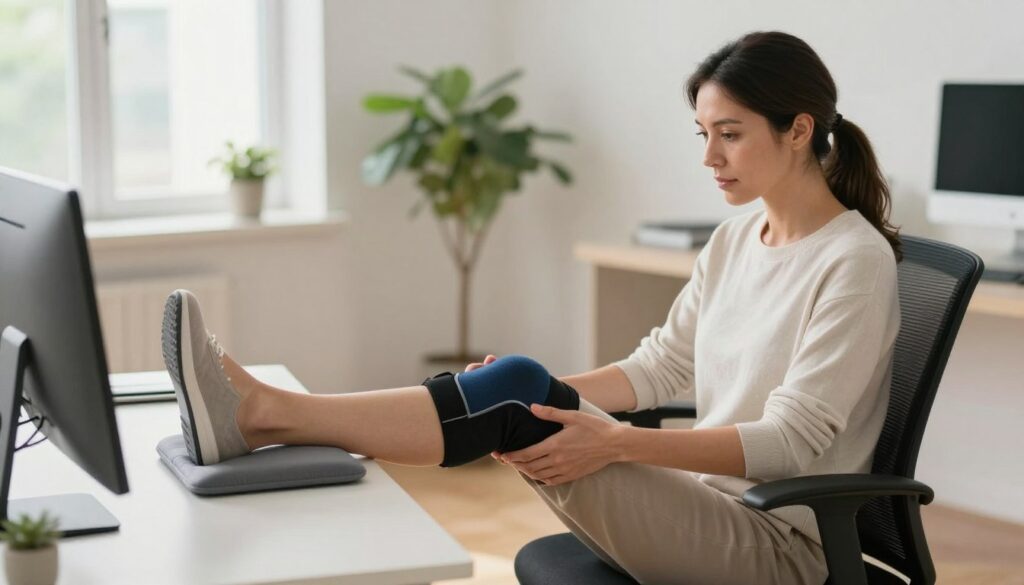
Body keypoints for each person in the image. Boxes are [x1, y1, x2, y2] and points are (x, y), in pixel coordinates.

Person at [161, 30, 902, 585]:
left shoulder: (854, 262)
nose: (709, 157)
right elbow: (659, 367)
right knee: (517, 385)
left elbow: (789, 442)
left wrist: (617, 443)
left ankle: (267, 415)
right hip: (704, 506)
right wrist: (539, 398)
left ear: (798, 130)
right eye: (704, 135)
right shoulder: (738, 238)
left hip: (778, 548)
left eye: (730, 135)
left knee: (516, 391)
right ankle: (268, 415)